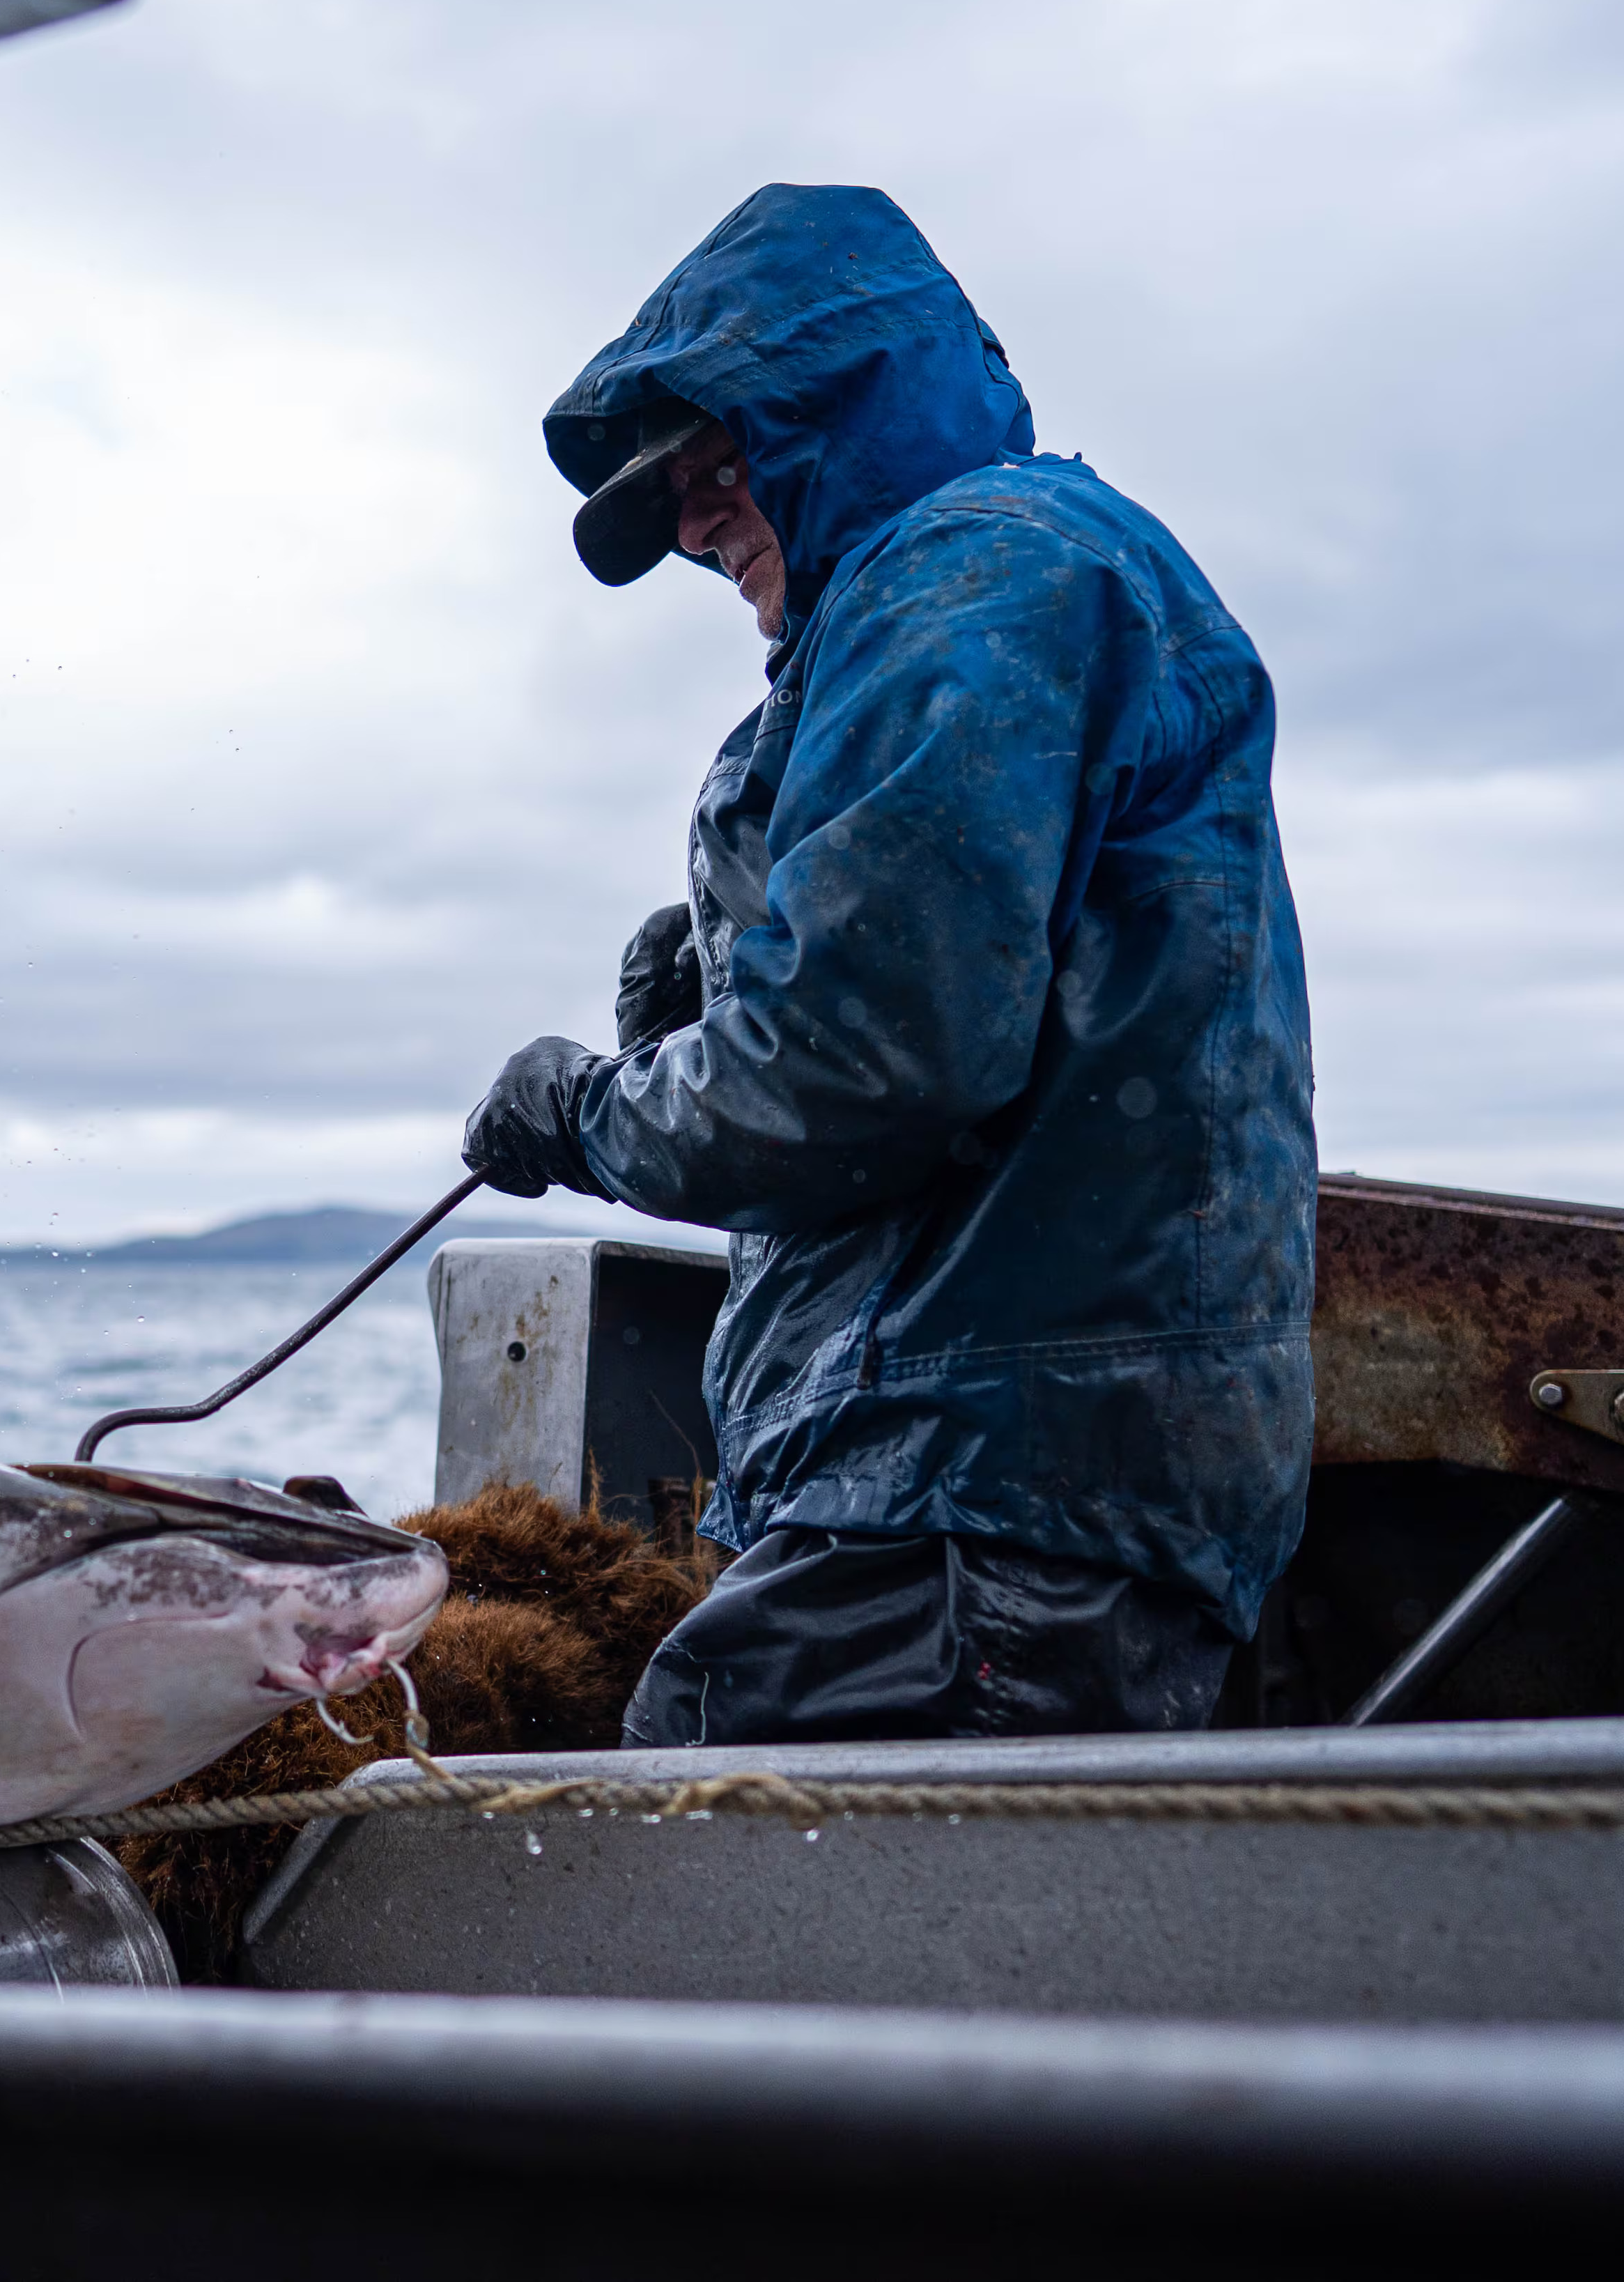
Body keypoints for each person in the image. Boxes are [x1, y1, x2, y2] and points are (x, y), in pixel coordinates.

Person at [461, 184, 1314, 1747]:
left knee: (696, 1930)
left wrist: (588, 1109)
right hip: (993, 1494)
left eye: (708, 473)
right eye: (665, 508)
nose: (695, 531)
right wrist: (729, 985)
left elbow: (860, 1067)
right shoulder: (1004, 575)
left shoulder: (968, 574)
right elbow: (972, 1006)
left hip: (963, 1503)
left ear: (829, 414)